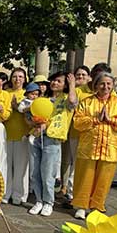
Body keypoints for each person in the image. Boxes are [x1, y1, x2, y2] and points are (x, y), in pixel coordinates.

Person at [72, 72, 117, 219]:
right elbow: (77, 123)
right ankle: (81, 206)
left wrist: (111, 120)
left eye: (108, 84)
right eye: (102, 83)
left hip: (111, 148)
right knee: (84, 177)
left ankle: (97, 205)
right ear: (96, 85)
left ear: (112, 86)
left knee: (104, 179)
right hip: (89, 147)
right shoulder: (86, 102)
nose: (105, 87)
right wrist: (95, 119)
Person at [28, 72, 77, 217]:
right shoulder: (44, 100)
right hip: (37, 136)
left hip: (53, 139)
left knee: (48, 173)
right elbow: (34, 115)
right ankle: (38, 200)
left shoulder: (66, 99)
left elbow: (73, 102)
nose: (55, 83)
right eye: (53, 81)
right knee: (35, 172)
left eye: (59, 81)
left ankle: (48, 202)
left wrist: (72, 84)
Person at [61, 65, 92, 202]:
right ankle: (70, 191)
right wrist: (72, 86)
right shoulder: (77, 91)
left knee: (82, 164)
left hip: (91, 134)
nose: (80, 77)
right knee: (72, 162)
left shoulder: (95, 91)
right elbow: (71, 102)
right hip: (74, 132)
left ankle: (76, 193)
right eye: (78, 75)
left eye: (83, 75)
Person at [3, 68, 30, 206]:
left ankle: (19, 195)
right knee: (6, 166)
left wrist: (18, 107)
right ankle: (5, 193)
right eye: (14, 76)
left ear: (25, 79)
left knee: (20, 168)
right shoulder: (5, 93)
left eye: (20, 77)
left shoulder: (28, 94)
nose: (17, 79)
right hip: (6, 134)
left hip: (22, 135)